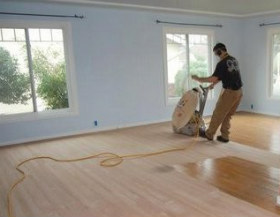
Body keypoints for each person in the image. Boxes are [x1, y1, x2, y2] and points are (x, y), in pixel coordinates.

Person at [191, 43, 243, 143]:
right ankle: (225, 136)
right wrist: (213, 85)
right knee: (227, 115)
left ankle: (209, 134)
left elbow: (213, 78)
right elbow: (224, 76)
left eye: (216, 54)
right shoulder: (233, 59)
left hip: (229, 92)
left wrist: (199, 79)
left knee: (218, 114)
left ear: (220, 51)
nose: (217, 56)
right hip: (239, 92)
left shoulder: (222, 63)